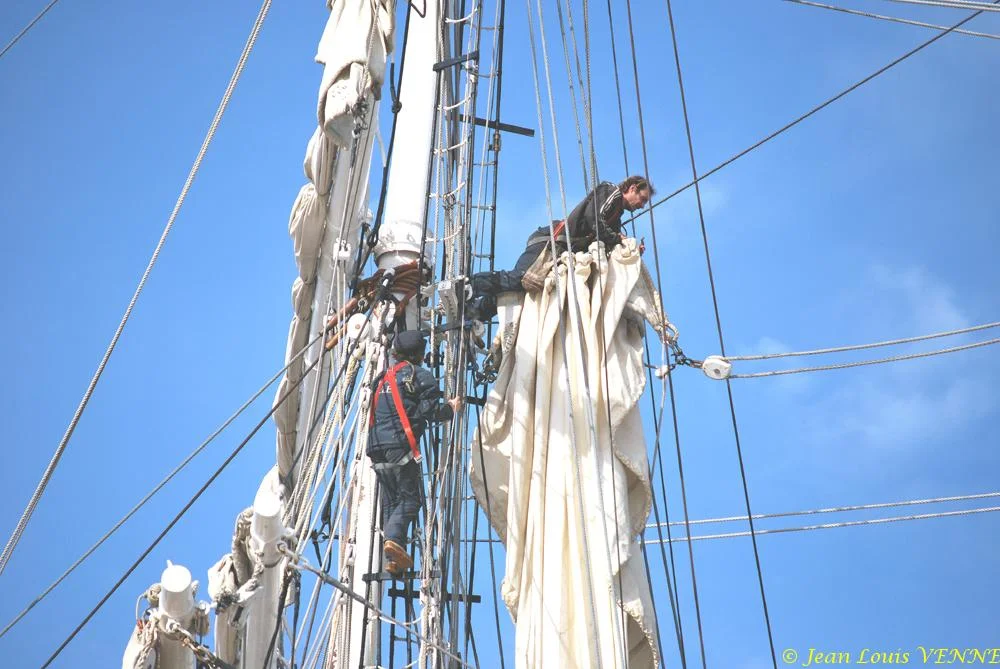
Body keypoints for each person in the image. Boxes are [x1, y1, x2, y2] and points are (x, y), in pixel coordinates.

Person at [468, 175, 655, 319]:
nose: (642, 205)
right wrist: (616, 238)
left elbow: (607, 244)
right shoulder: (611, 192)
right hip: (550, 242)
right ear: (632, 188)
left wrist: (629, 250)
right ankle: (467, 286)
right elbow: (594, 220)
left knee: (519, 290)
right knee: (521, 279)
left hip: (559, 252)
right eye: (643, 199)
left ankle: (475, 313)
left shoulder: (616, 217)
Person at [367, 329, 461, 576]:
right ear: (419, 354)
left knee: (392, 501)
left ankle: (392, 558)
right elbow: (431, 413)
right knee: (410, 500)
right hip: (400, 447)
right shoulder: (420, 376)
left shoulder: (382, 378)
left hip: (375, 448)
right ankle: (394, 542)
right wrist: (451, 408)